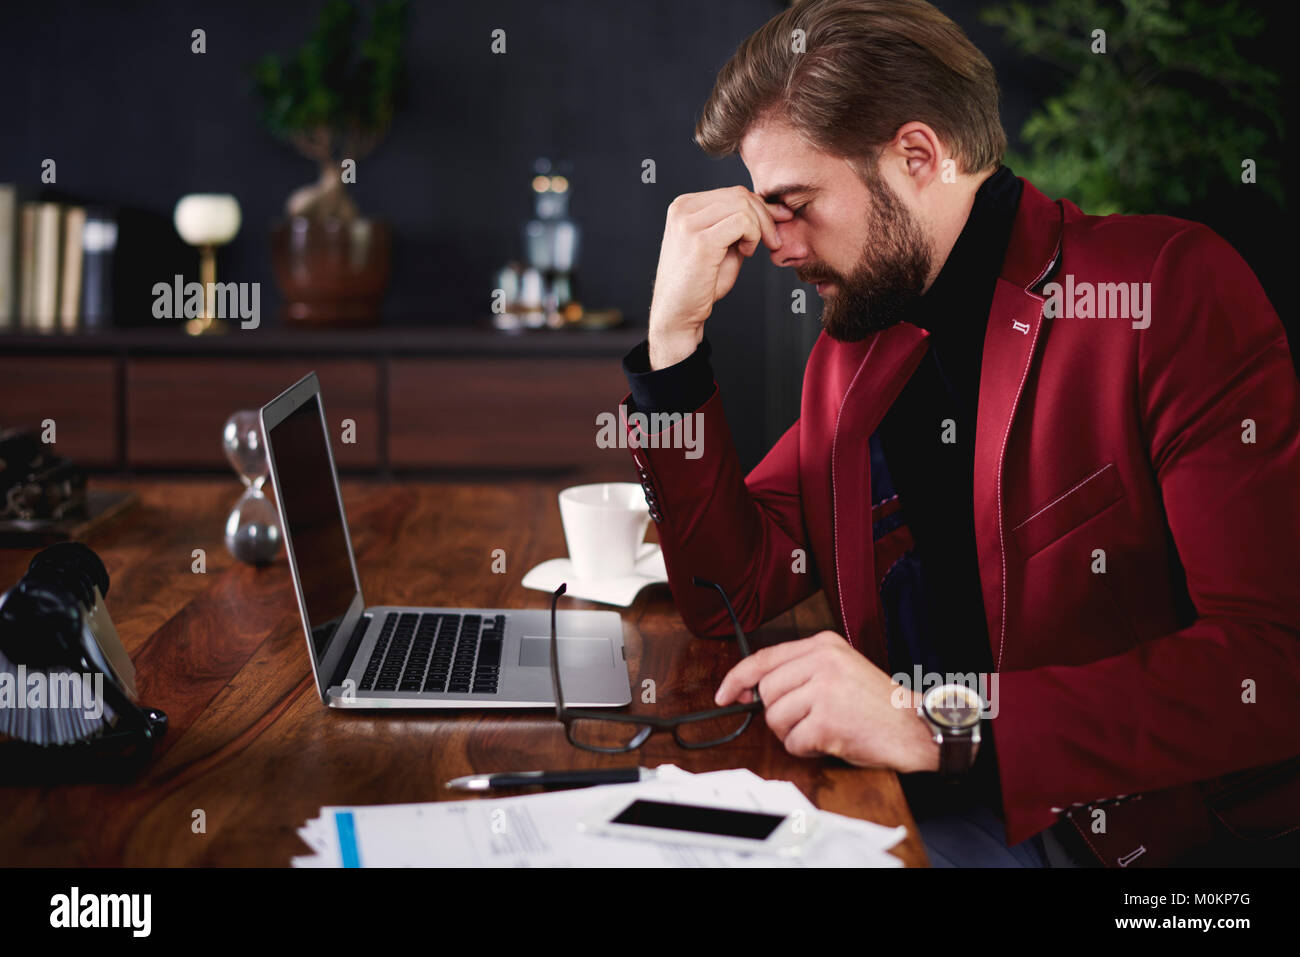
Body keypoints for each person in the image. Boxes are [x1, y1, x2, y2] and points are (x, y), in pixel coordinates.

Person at [618, 0, 1300, 867]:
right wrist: (673, 349)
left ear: (918, 154)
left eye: (794, 204)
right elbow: (731, 589)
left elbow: (1272, 669)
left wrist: (939, 720)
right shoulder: (855, 346)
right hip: (913, 804)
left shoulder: (1163, 290)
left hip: (1135, 848)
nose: (776, 245)